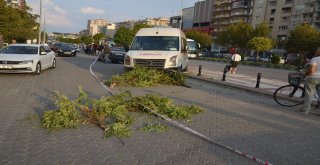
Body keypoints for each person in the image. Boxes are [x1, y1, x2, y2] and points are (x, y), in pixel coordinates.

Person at [301, 47, 320, 114]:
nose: (315, 52)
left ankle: (306, 110)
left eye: (317, 51)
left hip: (313, 78)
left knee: (309, 94)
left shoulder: (315, 59)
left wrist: (306, 74)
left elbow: (312, 70)